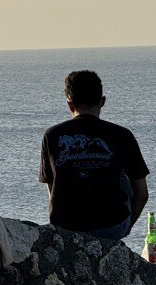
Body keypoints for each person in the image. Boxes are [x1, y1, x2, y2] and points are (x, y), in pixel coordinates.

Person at [39, 70, 150, 240]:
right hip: (111, 227)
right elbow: (142, 194)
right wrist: (126, 227)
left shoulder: (52, 135)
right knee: (122, 176)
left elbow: (52, 190)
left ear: (70, 104)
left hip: (65, 226)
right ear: (102, 101)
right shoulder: (122, 135)